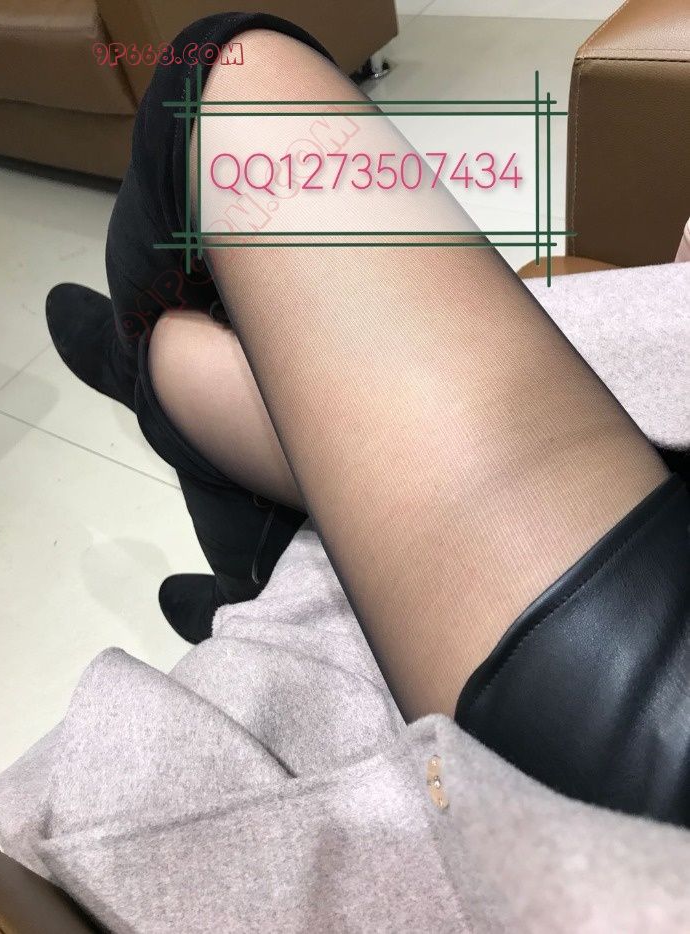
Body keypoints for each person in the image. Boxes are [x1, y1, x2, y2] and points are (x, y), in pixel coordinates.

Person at [46, 14, 689, 827]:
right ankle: (204, 474)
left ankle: (157, 399)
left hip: (650, 738)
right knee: (200, 354)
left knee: (224, 72)